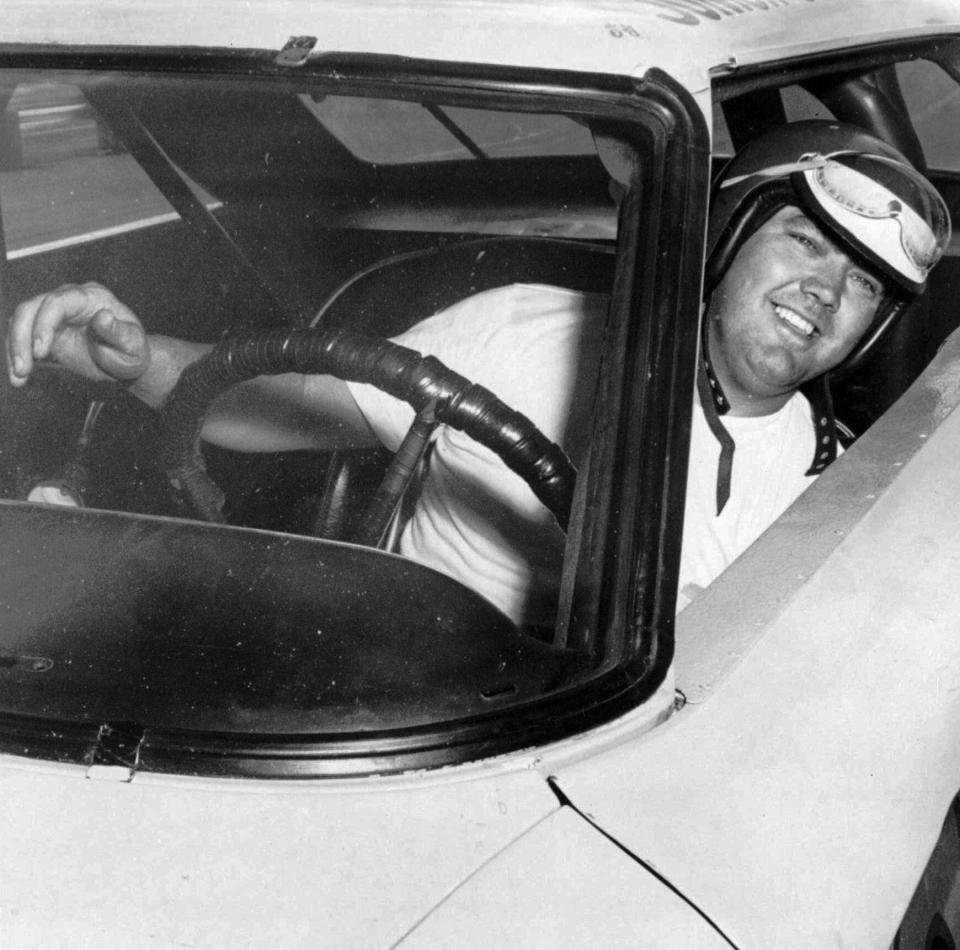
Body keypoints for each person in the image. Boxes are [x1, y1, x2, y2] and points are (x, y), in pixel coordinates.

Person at [4, 121, 951, 625]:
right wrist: (131, 361)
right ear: (730, 236)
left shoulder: (838, 484)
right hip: (410, 695)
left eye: (863, 283)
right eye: (802, 241)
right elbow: (282, 406)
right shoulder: (531, 332)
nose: (823, 292)